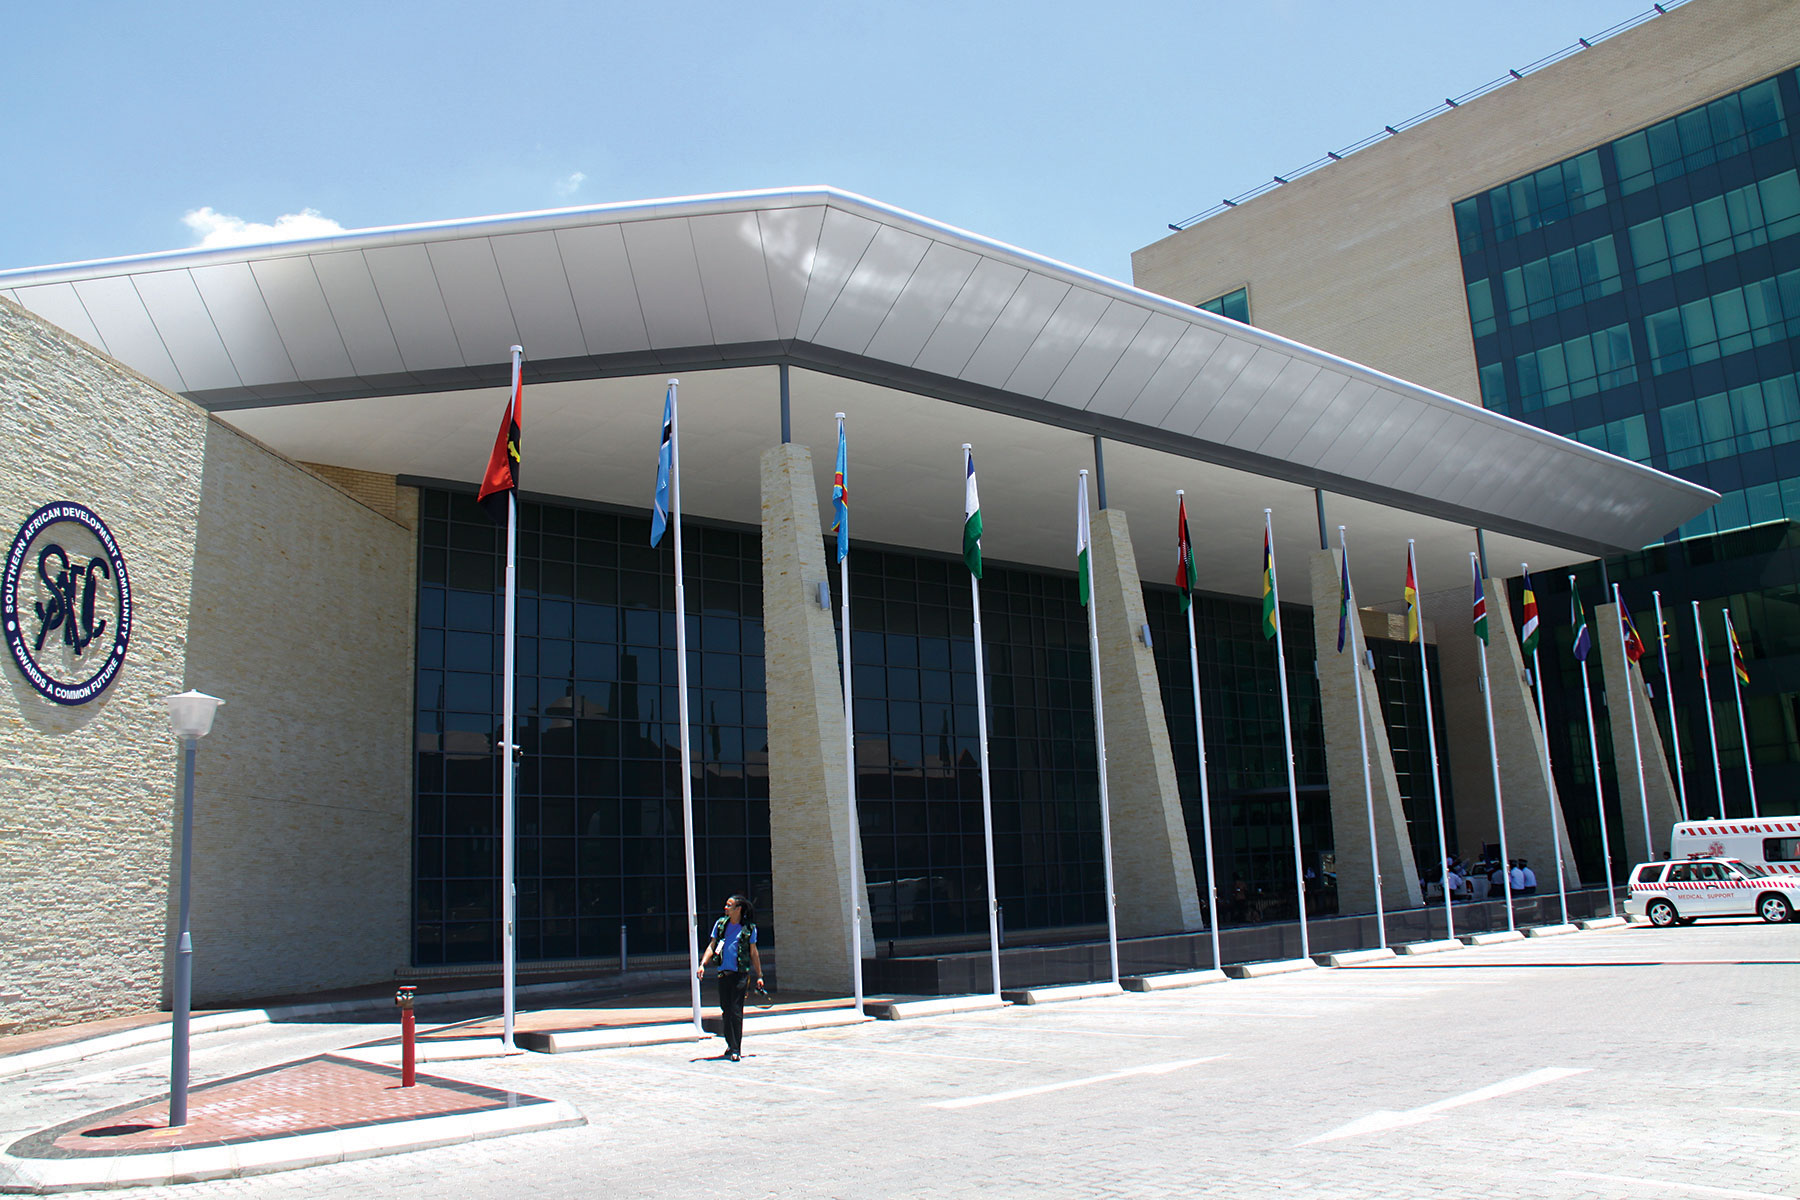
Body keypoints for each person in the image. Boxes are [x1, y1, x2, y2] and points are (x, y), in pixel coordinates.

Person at [697, 894, 764, 1062]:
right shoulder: (721, 925)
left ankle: (736, 1049)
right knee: (726, 1011)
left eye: (729, 905)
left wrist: (759, 975)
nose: (725, 908)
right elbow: (713, 945)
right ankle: (730, 1043)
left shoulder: (749, 928)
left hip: (740, 975)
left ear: (738, 909)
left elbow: (753, 953)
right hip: (723, 974)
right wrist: (703, 964)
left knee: (736, 1011)